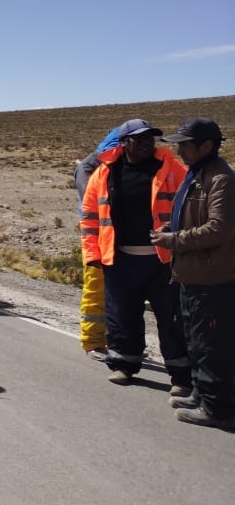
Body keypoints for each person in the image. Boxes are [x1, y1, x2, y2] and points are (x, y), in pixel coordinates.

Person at [80, 119, 189, 390]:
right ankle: (123, 365)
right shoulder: (105, 173)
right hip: (120, 259)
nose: (146, 144)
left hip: (164, 259)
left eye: (150, 138)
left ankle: (181, 376)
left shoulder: (170, 167)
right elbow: (90, 218)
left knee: (172, 318)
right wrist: (92, 253)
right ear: (125, 142)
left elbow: (190, 204)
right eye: (139, 139)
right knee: (123, 315)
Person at [150, 118, 234, 429]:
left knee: (211, 343)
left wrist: (173, 240)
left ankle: (216, 407)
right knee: (197, 340)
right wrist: (172, 229)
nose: (180, 150)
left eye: (185, 144)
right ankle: (201, 394)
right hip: (194, 275)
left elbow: (218, 229)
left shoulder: (221, 180)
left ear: (207, 146)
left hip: (213, 279)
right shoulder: (200, 176)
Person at [74, 126, 121, 361]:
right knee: (96, 287)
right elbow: (93, 202)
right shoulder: (89, 168)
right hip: (96, 237)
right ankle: (93, 341)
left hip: (116, 238)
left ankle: (119, 340)